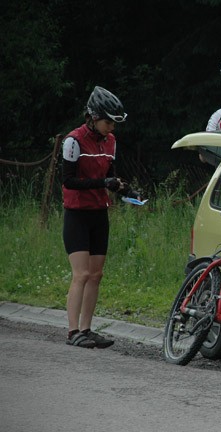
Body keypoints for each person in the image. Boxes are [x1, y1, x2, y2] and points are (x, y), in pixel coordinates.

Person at [61, 86, 139, 348]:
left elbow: (110, 176)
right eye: (108, 122)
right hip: (77, 215)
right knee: (81, 274)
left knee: (96, 274)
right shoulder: (73, 140)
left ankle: (87, 328)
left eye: (114, 124)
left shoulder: (111, 142)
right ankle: (73, 332)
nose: (111, 128)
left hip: (99, 214)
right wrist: (102, 182)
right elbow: (68, 181)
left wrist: (124, 188)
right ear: (93, 117)